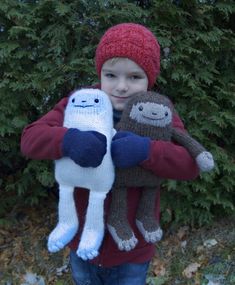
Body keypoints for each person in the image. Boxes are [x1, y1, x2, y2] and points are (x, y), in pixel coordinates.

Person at [21, 23, 199, 285]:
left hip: (132, 249)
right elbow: (30, 139)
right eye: (111, 75)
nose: (121, 87)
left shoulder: (159, 112)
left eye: (134, 77)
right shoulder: (81, 103)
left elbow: (189, 164)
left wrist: (146, 151)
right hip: (82, 241)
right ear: (100, 73)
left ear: (150, 78)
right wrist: (69, 140)